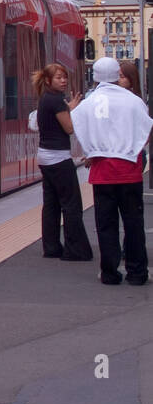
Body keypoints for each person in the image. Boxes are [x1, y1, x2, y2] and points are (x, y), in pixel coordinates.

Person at [72, 56, 153, 285]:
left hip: (102, 172)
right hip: (129, 169)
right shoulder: (133, 101)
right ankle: (137, 273)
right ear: (116, 73)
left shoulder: (89, 102)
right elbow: (145, 129)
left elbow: (76, 125)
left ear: (95, 76)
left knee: (106, 224)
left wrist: (93, 149)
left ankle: (109, 273)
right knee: (133, 222)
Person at [32, 63, 92, 261]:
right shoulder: (57, 100)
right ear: (48, 80)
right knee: (71, 203)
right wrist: (73, 110)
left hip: (45, 156)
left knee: (51, 204)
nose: (64, 80)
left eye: (65, 77)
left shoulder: (45, 98)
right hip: (59, 158)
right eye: (59, 77)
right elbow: (69, 128)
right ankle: (75, 249)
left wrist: (70, 108)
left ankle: (51, 247)